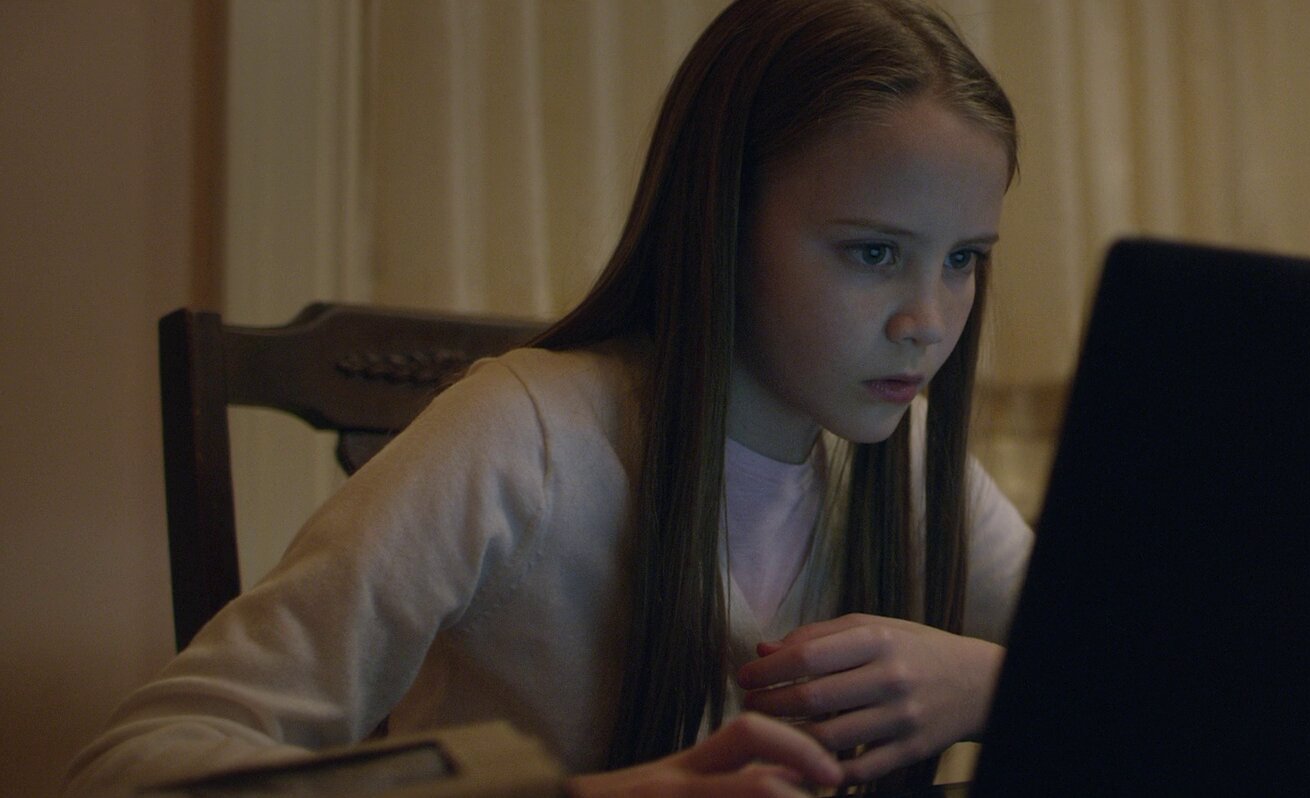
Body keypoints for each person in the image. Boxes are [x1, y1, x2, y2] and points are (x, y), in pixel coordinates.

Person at [64, 0, 1031, 795]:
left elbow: (1129, 674)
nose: (928, 321)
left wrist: (993, 682)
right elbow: (136, 763)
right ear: (720, 220)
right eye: (874, 252)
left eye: (963, 260)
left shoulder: (905, 464)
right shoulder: (524, 437)